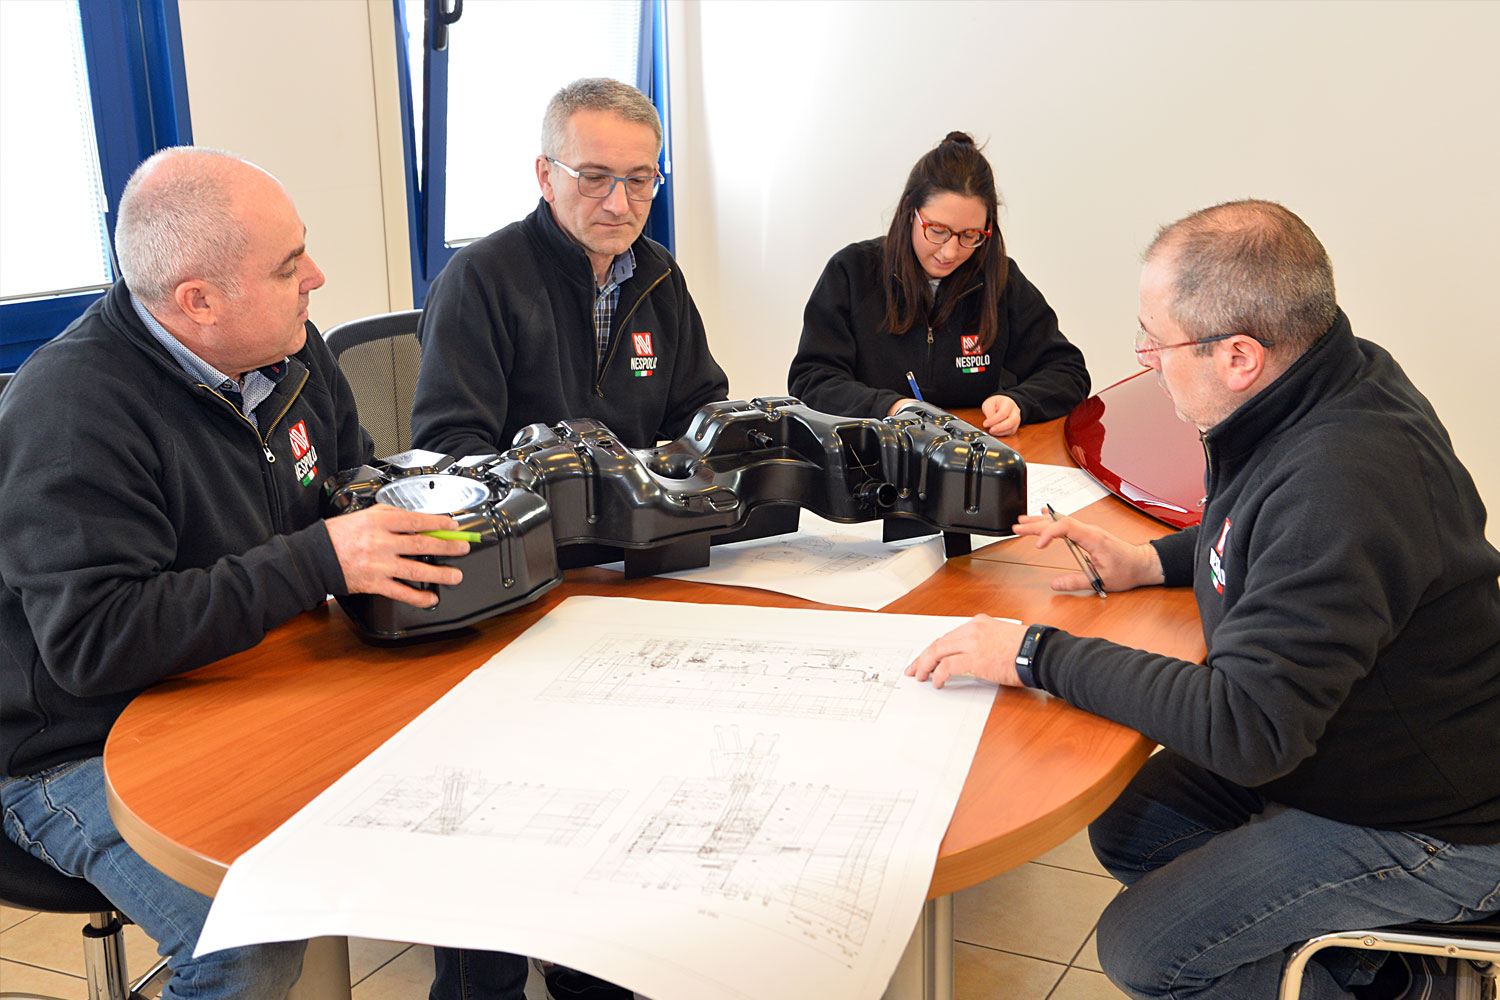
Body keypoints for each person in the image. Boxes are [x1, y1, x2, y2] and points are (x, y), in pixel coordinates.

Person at [907, 200, 1500, 999]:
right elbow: (1264, 532)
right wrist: (1147, 563)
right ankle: (1370, 963)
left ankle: (1400, 987)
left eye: (1156, 341)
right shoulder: (1327, 379)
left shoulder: (1340, 483)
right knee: (1134, 825)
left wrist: (1032, 654)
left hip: (1435, 820)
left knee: (1143, 950)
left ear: (1240, 357)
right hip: (1343, 735)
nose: (1147, 359)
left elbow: (1246, 729)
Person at [0, 147, 472, 1000]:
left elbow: (344, 483)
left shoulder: (289, 352)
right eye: (289, 266)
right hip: (72, 746)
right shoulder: (69, 412)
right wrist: (322, 558)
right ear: (199, 301)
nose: (316, 277)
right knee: (246, 946)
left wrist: (398, 511)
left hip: (240, 680)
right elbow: (97, 643)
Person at [409, 77, 728, 458]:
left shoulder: (658, 273)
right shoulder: (479, 278)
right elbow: (448, 445)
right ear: (546, 177)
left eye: (639, 180)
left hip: (635, 494)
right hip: (526, 495)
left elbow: (701, 413)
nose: (619, 206)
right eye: (594, 178)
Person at [787, 131, 1089, 436]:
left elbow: (1068, 371)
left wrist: (1019, 402)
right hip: (875, 450)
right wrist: (892, 408)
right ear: (910, 211)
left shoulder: (1000, 279)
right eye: (937, 230)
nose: (950, 252)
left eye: (970, 235)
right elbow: (812, 378)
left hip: (970, 452)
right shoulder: (852, 272)